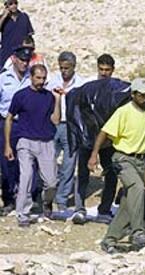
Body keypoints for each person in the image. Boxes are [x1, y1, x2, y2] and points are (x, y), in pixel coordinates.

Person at [87, 78, 145, 254]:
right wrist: (94, 155)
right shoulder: (123, 112)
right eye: (142, 94)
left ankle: (110, 240)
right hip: (123, 159)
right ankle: (137, 231)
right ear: (133, 95)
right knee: (137, 188)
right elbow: (104, 132)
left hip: (140, 161)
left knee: (128, 204)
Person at [4, 64, 61, 227]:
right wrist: (8, 145)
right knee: (26, 177)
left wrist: (58, 100)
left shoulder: (49, 96)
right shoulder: (20, 96)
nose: (41, 81)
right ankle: (23, 213)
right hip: (25, 141)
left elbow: (56, 120)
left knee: (51, 182)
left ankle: (47, 203)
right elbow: (9, 118)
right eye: (38, 78)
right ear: (31, 77)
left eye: (44, 78)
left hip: (46, 141)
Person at [74, 53, 117, 224]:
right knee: (83, 173)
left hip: (108, 140)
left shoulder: (115, 88)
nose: (104, 73)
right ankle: (79, 208)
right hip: (88, 138)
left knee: (112, 174)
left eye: (107, 70)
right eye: (101, 69)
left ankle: (104, 209)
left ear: (112, 70)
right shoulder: (89, 86)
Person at [47, 51, 84, 212]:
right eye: (61, 67)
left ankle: (62, 199)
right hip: (53, 125)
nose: (64, 71)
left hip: (71, 126)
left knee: (69, 163)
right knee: (49, 161)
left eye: (67, 68)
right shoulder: (52, 81)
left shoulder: (80, 84)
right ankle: (46, 196)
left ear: (73, 67)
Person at [0, 46, 32, 215]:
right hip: (5, 122)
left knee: (25, 162)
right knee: (6, 163)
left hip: (25, 124)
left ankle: (24, 198)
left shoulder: (31, 78)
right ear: (14, 59)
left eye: (27, 61)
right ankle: (8, 200)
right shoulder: (3, 78)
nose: (24, 64)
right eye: (22, 60)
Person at [0, 0, 34, 69]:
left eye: (15, 3)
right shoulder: (2, 18)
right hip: (6, 53)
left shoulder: (24, 16)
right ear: (6, 5)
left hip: (21, 54)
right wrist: (4, 16)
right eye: (11, 4)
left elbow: (29, 35)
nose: (14, 6)